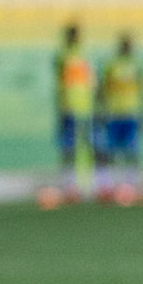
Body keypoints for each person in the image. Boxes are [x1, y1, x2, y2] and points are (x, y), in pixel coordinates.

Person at [94, 33, 143, 202]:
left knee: (132, 151)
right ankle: (106, 186)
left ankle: (130, 186)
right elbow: (101, 89)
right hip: (113, 113)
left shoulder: (137, 64)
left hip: (132, 113)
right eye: (125, 44)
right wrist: (100, 110)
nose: (127, 47)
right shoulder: (111, 64)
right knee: (107, 150)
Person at [44, 22, 94, 205]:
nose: (75, 37)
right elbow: (61, 81)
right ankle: (69, 184)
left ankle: (86, 184)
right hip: (69, 107)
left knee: (86, 146)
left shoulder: (83, 55)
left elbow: (88, 81)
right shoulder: (63, 55)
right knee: (69, 147)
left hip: (86, 107)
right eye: (72, 34)